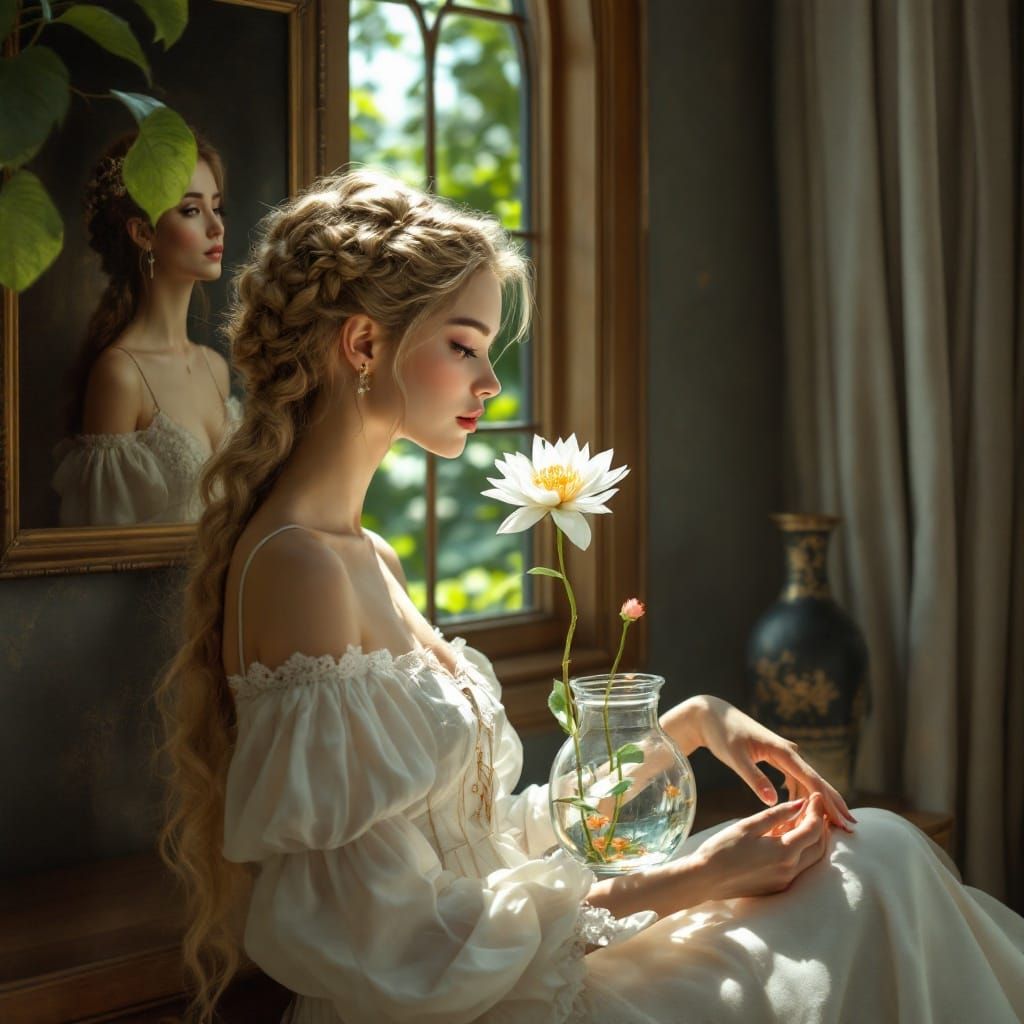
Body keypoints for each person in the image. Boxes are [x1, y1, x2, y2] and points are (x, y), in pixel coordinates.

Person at [155, 168, 1024, 1024]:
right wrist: (696, 879)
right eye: (463, 344)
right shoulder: (298, 567)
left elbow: (484, 842)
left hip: (505, 970)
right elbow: (386, 936)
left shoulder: (364, 553)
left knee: (880, 853)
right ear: (363, 344)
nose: (489, 382)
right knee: (883, 871)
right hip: (466, 1007)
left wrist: (684, 728)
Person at [51, 131, 241, 526]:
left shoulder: (214, 367)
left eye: (217, 207)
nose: (216, 226)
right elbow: (101, 543)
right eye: (191, 210)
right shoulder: (120, 375)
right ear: (143, 233)